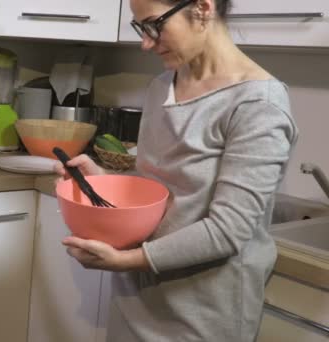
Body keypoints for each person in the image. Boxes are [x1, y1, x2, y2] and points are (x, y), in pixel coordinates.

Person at [55, 0, 298, 341]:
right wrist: (105, 181)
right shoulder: (161, 86)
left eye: (154, 25)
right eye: (141, 28)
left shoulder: (258, 104)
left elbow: (229, 230)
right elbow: (156, 186)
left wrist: (126, 261)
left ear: (201, 8)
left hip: (202, 314)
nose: (146, 43)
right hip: (135, 297)